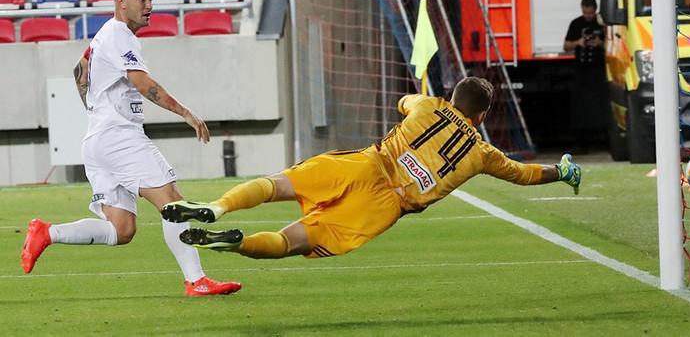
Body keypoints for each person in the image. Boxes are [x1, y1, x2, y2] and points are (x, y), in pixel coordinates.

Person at [160, 77, 581, 260]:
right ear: (484, 116)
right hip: (385, 206)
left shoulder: (429, 104)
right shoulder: (483, 154)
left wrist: (422, 98)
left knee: (275, 185)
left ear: (452, 97)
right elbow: (525, 174)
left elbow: (404, 103)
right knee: (293, 242)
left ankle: (218, 207)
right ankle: (235, 243)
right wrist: (561, 171)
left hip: (365, 164)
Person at [20, 0, 241, 296]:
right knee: (173, 204)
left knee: (121, 230)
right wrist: (186, 113)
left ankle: (47, 232)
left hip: (97, 140)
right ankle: (197, 281)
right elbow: (142, 83)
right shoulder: (119, 34)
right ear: (121, 2)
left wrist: (95, 110)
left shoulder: (104, 36)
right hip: (120, 138)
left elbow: (79, 70)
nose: (150, 6)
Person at [563, 0, 608, 153]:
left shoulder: (602, 24)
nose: (588, 16)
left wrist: (600, 43)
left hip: (598, 71)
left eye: (590, 13)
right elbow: (566, 45)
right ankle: (582, 144)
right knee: (580, 109)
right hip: (581, 71)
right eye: (585, 13)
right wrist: (578, 42)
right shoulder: (576, 24)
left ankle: (605, 141)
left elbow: (614, 44)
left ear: (595, 10)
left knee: (601, 106)